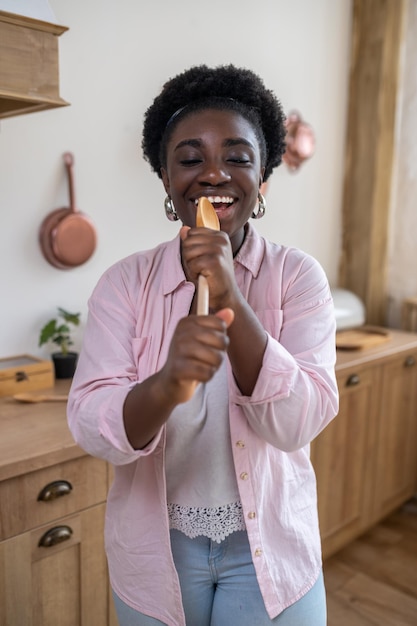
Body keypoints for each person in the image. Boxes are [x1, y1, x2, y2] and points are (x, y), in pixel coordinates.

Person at [67, 64, 339, 626]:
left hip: (272, 542)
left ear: (262, 179)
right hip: (157, 549)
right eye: (190, 158)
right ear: (166, 179)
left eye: (238, 157)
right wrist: (167, 385)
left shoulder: (297, 277)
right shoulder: (124, 284)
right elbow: (93, 425)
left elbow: (297, 424)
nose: (214, 173)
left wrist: (231, 298)